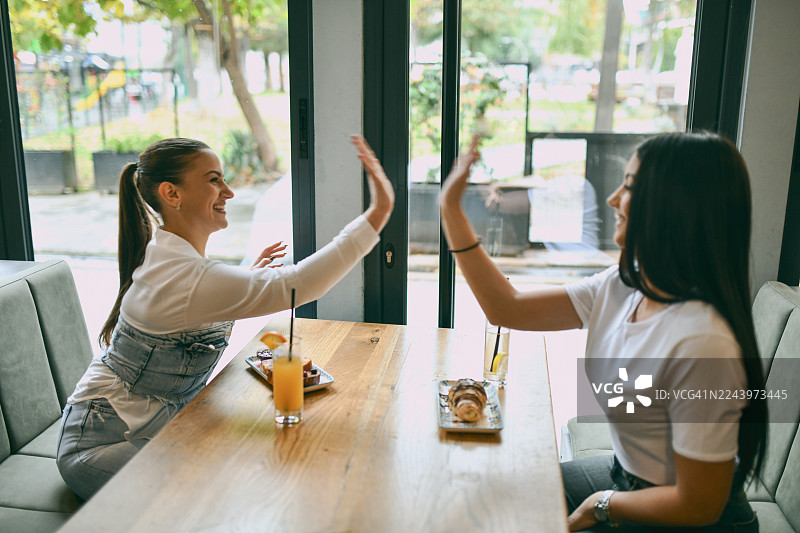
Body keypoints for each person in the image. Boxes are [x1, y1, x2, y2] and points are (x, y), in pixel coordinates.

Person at [440, 132, 766, 532]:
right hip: (625, 477)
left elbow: (698, 505)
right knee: (493, 493)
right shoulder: (623, 285)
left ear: (672, 207)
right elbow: (506, 307)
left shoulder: (703, 342)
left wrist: (602, 504)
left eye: (628, 187)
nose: (612, 199)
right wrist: (451, 211)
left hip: (684, 519)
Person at [57, 135, 394, 500]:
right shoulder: (185, 276)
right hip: (101, 446)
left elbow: (195, 303)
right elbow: (302, 284)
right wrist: (379, 211)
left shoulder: (176, 261)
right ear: (172, 194)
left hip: (145, 422)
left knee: (259, 461)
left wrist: (248, 278)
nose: (229, 191)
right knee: (245, 480)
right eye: (214, 179)